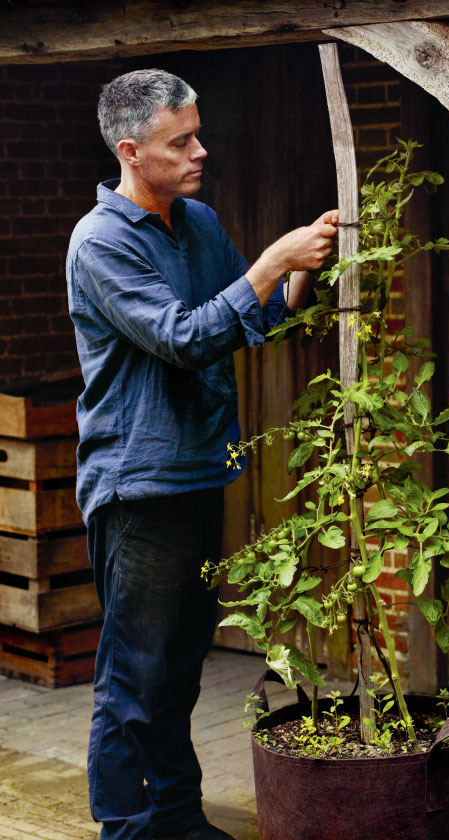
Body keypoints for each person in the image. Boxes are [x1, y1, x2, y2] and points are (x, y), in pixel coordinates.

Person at [66, 68, 338, 840]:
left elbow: (248, 321)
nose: (199, 151)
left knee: (179, 667)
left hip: (197, 472)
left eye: (196, 134)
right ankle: (125, 829)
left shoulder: (199, 222)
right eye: (179, 141)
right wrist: (271, 264)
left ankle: (177, 818)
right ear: (131, 151)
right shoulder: (101, 243)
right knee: (132, 678)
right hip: (137, 486)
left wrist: (301, 274)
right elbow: (187, 339)